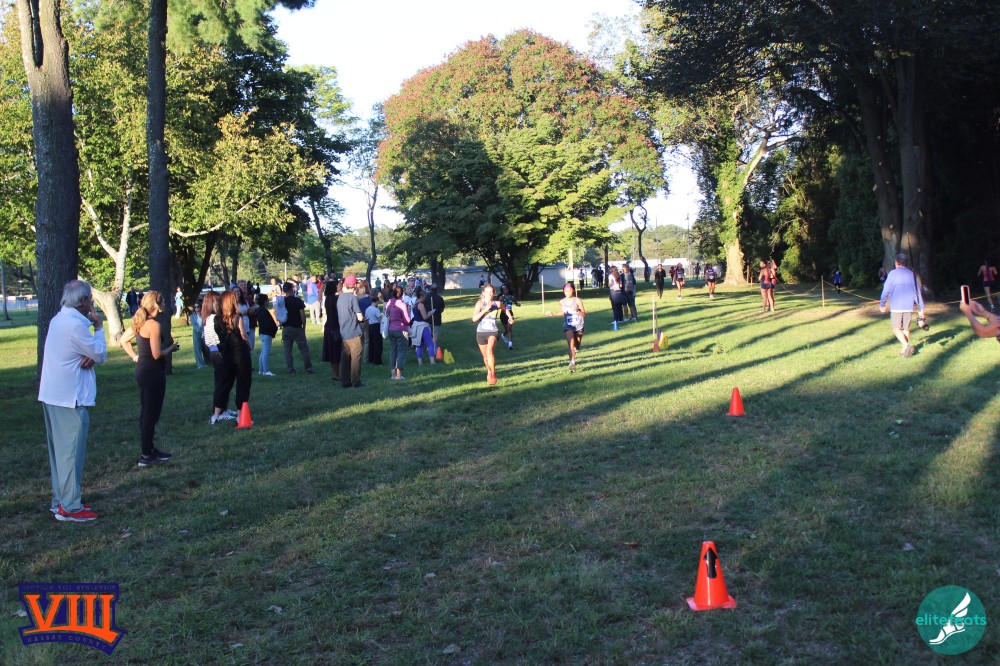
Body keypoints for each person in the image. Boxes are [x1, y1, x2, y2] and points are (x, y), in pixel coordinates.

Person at [39, 280, 107, 521]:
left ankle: (60, 499)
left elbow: (87, 353)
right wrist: (99, 328)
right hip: (69, 397)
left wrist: (90, 353)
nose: (92, 303)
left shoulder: (59, 319)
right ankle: (70, 507)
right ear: (83, 301)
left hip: (53, 395)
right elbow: (99, 353)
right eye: (90, 299)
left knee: (59, 453)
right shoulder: (75, 325)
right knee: (70, 453)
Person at [118, 290, 178, 467]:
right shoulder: (153, 325)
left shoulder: (139, 322)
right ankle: (146, 455)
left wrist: (135, 357)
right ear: (157, 305)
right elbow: (157, 354)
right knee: (151, 414)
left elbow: (123, 341)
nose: (165, 304)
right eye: (163, 301)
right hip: (153, 372)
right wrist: (171, 348)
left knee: (147, 412)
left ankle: (149, 449)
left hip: (142, 371)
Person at [209, 291, 252, 423]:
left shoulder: (217, 319)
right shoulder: (237, 317)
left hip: (226, 353)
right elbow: (243, 334)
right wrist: (249, 345)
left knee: (224, 383)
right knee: (243, 383)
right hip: (240, 352)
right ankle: (240, 414)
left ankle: (216, 414)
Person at [879, 253, 926, 357]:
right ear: (906, 263)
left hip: (896, 306)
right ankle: (905, 351)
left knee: (896, 328)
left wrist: (882, 303)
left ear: (896, 263)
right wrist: (921, 308)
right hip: (908, 306)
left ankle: (906, 345)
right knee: (906, 328)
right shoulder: (911, 274)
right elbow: (917, 292)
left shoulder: (892, 274)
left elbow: (886, 290)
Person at [472, 284, 512, 385]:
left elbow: (505, 309)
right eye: (487, 292)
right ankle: (489, 371)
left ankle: (493, 375)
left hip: (493, 331)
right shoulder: (480, 303)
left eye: (491, 292)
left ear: (494, 293)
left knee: (489, 351)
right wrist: (485, 310)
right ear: (483, 293)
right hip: (481, 332)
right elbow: (474, 319)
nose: (489, 294)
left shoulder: (497, 304)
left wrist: (510, 317)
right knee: (485, 357)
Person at [337, 275, 366, 388]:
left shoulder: (340, 298)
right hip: (354, 332)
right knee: (356, 358)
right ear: (354, 286)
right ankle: (356, 381)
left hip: (343, 332)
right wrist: (363, 319)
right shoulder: (353, 298)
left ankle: (344, 381)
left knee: (344, 358)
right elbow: (359, 316)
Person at [281, 281, 314, 374]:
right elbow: (302, 315)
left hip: (286, 327)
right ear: (291, 289)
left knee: (288, 350)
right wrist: (304, 326)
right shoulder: (297, 300)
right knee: (304, 349)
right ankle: (308, 368)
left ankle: (290, 369)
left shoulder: (282, 301)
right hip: (297, 327)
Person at [385, 285, 412, 380]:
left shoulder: (389, 303)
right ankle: (399, 375)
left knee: (393, 351)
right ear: (402, 294)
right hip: (401, 330)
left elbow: (387, 313)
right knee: (401, 351)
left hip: (391, 329)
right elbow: (407, 320)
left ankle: (393, 374)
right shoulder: (402, 305)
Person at [559, 283, 586, 373]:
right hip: (568, 325)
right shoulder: (562, 302)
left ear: (573, 291)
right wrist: (552, 313)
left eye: (569, 291)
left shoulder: (578, 300)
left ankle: (576, 349)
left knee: (576, 345)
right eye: (566, 291)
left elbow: (584, 314)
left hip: (578, 325)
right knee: (571, 343)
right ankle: (572, 363)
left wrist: (578, 310)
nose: (568, 293)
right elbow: (563, 312)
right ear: (563, 291)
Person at [321, 279, 342, 381]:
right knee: (336, 351)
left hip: (329, 325)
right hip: (335, 326)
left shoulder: (327, 299)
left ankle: (335, 373)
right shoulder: (335, 299)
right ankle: (337, 373)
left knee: (331, 350)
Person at [411, 290, 437, 365]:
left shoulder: (414, 304)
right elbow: (425, 317)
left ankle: (420, 363)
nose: (425, 298)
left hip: (416, 326)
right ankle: (432, 362)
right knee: (430, 343)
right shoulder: (420, 305)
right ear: (421, 296)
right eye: (425, 297)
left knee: (419, 345)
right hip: (423, 327)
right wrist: (431, 313)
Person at [255, 293, 278, 376]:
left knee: (263, 352)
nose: (268, 302)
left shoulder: (259, 310)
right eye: (267, 300)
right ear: (264, 301)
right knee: (265, 352)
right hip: (266, 333)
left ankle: (261, 370)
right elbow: (267, 323)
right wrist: (273, 328)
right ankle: (265, 370)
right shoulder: (263, 311)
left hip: (262, 332)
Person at [498, 284, 519, 350]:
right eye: (504, 290)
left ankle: (510, 345)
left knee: (509, 329)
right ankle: (503, 335)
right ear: (502, 291)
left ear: (508, 289)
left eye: (506, 289)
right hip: (503, 315)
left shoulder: (512, 297)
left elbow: (516, 303)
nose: (505, 291)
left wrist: (518, 304)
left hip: (510, 314)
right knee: (506, 330)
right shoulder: (501, 298)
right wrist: (502, 305)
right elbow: (498, 306)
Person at [365, 293, 384, 365]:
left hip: (370, 326)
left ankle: (371, 359)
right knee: (378, 344)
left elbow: (366, 318)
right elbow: (380, 319)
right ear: (376, 301)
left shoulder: (367, 309)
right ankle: (377, 360)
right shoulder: (376, 310)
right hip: (376, 326)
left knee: (371, 343)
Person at [191, 297, 207, 369]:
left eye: (198, 307)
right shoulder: (192, 316)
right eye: (195, 307)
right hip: (196, 333)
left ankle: (207, 362)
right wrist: (200, 329)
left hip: (205, 332)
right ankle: (200, 364)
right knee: (197, 348)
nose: (196, 308)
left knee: (206, 348)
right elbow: (195, 326)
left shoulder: (204, 315)